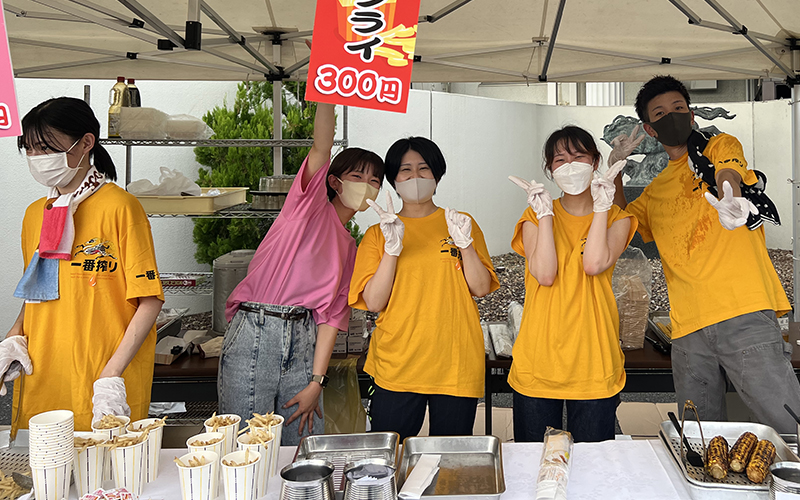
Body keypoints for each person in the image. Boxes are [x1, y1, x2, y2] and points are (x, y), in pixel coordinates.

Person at [613, 75, 800, 432]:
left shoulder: (719, 146)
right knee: (700, 435)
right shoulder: (654, 192)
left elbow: (728, 170)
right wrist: (616, 172)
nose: (672, 116)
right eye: (660, 113)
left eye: (679, 109)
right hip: (686, 330)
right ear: (650, 130)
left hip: (743, 313)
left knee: (786, 423)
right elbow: (621, 226)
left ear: (692, 114)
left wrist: (729, 195)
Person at [219, 102, 384, 445]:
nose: (367, 186)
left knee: (303, 445)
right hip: (256, 330)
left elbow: (331, 319)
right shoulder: (307, 208)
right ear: (335, 182)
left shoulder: (351, 250)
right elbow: (322, 147)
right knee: (250, 445)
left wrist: (316, 382)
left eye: (375, 181)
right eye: (358, 177)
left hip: (304, 340)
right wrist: (327, 93)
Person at [0, 97, 164, 434]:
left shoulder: (121, 207)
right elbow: (38, 291)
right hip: (44, 379)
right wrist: (14, 337)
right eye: (29, 149)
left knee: (108, 483)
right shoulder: (36, 214)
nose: (37, 158)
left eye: (46, 148)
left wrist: (111, 375)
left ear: (86, 142)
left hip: (103, 387)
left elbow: (149, 299)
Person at [349, 136, 499, 441]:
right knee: (389, 459)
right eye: (405, 170)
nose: (415, 177)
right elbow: (375, 301)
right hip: (397, 364)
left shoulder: (460, 223)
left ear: (437, 175)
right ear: (393, 179)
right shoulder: (378, 234)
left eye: (423, 168)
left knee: (450, 461)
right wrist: (392, 249)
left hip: (454, 361)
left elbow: (482, 287)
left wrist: (466, 245)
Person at [508, 126, 637, 442]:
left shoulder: (617, 218)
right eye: (559, 160)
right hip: (538, 361)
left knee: (593, 473)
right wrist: (546, 216)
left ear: (594, 162)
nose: (569, 166)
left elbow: (593, 264)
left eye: (578, 156)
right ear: (550, 170)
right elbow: (545, 274)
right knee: (533, 468)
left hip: (594, 360)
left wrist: (602, 208)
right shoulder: (533, 215)